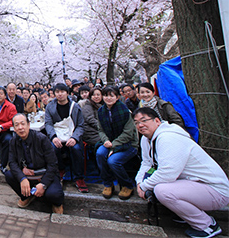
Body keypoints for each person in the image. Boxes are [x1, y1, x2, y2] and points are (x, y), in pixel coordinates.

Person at [133, 107, 229, 238]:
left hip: (215, 191)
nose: (140, 125)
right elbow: (146, 163)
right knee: (156, 185)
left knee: (162, 190)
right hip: (192, 185)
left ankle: (207, 226)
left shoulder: (168, 138)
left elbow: (167, 173)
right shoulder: (146, 139)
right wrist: (139, 182)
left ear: (157, 121)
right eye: (137, 122)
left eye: (144, 120)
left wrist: (144, 186)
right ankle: (185, 214)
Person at [5, 113, 64, 213]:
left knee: (54, 194)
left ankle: (57, 204)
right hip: (29, 175)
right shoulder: (13, 141)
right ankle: (27, 196)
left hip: (44, 174)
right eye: (17, 125)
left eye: (23, 124)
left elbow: (52, 164)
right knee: (9, 175)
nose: (20, 128)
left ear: (28, 124)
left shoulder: (41, 139)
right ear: (14, 128)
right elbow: (12, 162)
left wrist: (44, 184)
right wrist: (22, 178)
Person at [96, 86, 139, 200]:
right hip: (109, 142)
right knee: (100, 154)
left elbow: (128, 134)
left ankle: (127, 185)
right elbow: (100, 129)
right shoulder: (101, 111)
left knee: (113, 161)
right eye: (106, 95)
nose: (108, 98)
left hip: (128, 144)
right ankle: (107, 183)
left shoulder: (125, 111)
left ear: (117, 97)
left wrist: (113, 145)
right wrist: (105, 140)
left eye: (112, 95)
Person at [44, 83, 88, 193]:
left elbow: (80, 125)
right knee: (53, 148)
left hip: (72, 135)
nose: (60, 94)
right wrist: (53, 136)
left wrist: (74, 138)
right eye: (57, 92)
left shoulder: (75, 106)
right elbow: (48, 123)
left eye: (62, 91)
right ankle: (60, 170)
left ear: (67, 93)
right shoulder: (50, 106)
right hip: (57, 134)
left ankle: (79, 177)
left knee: (76, 149)